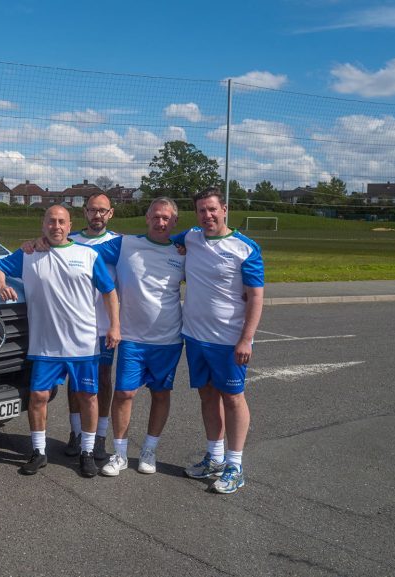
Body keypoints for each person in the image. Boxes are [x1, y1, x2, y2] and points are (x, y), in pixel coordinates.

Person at [0, 205, 119, 479]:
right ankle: (38, 452)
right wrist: (1, 285)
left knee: (88, 397)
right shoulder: (29, 254)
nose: (56, 226)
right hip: (45, 346)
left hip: (83, 344)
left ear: (70, 225)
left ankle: (86, 452)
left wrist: (115, 326)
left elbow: (109, 292)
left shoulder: (87, 255)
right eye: (51, 221)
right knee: (38, 397)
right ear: (43, 224)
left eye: (62, 221)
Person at [177, 188, 264, 494]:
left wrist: (246, 339)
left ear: (224, 209)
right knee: (207, 397)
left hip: (229, 341)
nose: (207, 216)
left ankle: (235, 464)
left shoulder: (245, 247)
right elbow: (159, 237)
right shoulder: (189, 238)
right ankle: (214, 458)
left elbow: (255, 296)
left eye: (212, 209)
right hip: (195, 337)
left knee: (233, 398)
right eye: (201, 210)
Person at [91, 198, 185, 477]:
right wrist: (43, 244)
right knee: (124, 393)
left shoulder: (183, 251)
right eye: (156, 216)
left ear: (175, 222)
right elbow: (86, 253)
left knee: (160, 394)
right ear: (147, 218)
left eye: (167, 218)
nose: (161, 222)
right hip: (131, 337)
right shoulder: (125, 245)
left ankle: (148, 450)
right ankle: (118, 454)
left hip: (168, 338)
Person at [67, 192, 120, 461]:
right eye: (92, 210)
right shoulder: (68, 240)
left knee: (102, 378)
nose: (97, 215)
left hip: (104, 328)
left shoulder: (120, 243)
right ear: (84, 212)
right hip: (74, 327)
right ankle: (76, 433)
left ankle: (99, 436)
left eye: (102, 210)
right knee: (75, 382)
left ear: (110, 213)